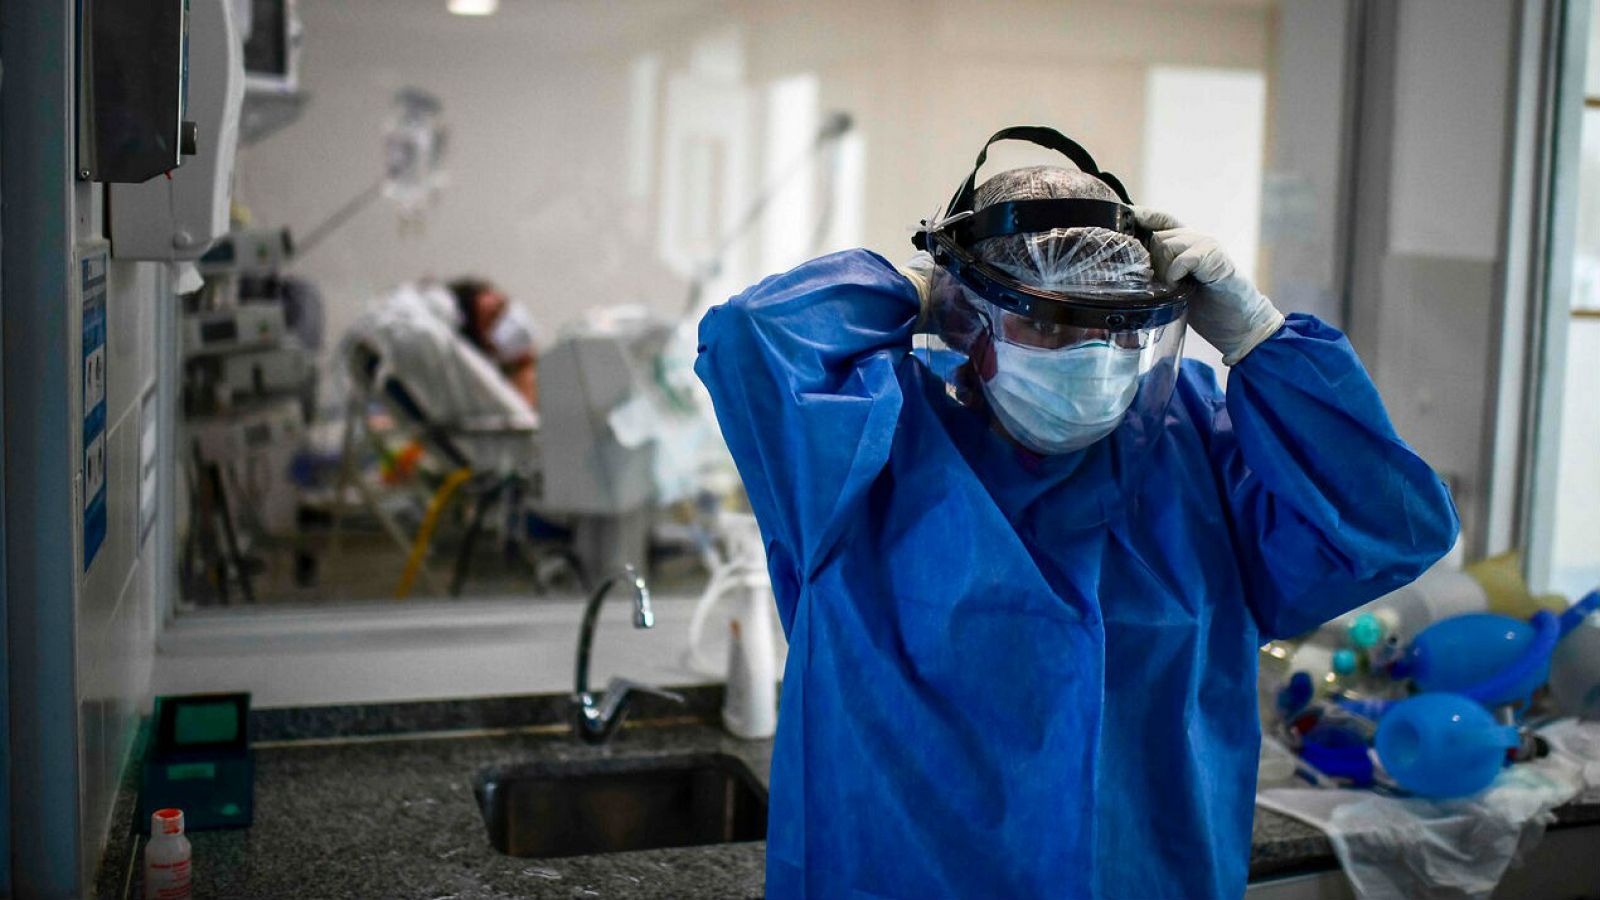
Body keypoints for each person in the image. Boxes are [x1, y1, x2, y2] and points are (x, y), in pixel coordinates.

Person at [693, 128, 1458, 899]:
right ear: (972, 325)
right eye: (1048, 323)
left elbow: (1390, 527)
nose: (1090, 353)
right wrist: (924, 291)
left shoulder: (1191, 440)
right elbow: (750, 339)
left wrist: (1259, 338)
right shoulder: (867, 449)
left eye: (1113, 323)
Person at [447, 277, 540, 408]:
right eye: (495, 317)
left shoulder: (550, 368)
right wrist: (524, 370)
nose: (513, 317)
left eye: (505, 305)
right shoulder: (502, 405)